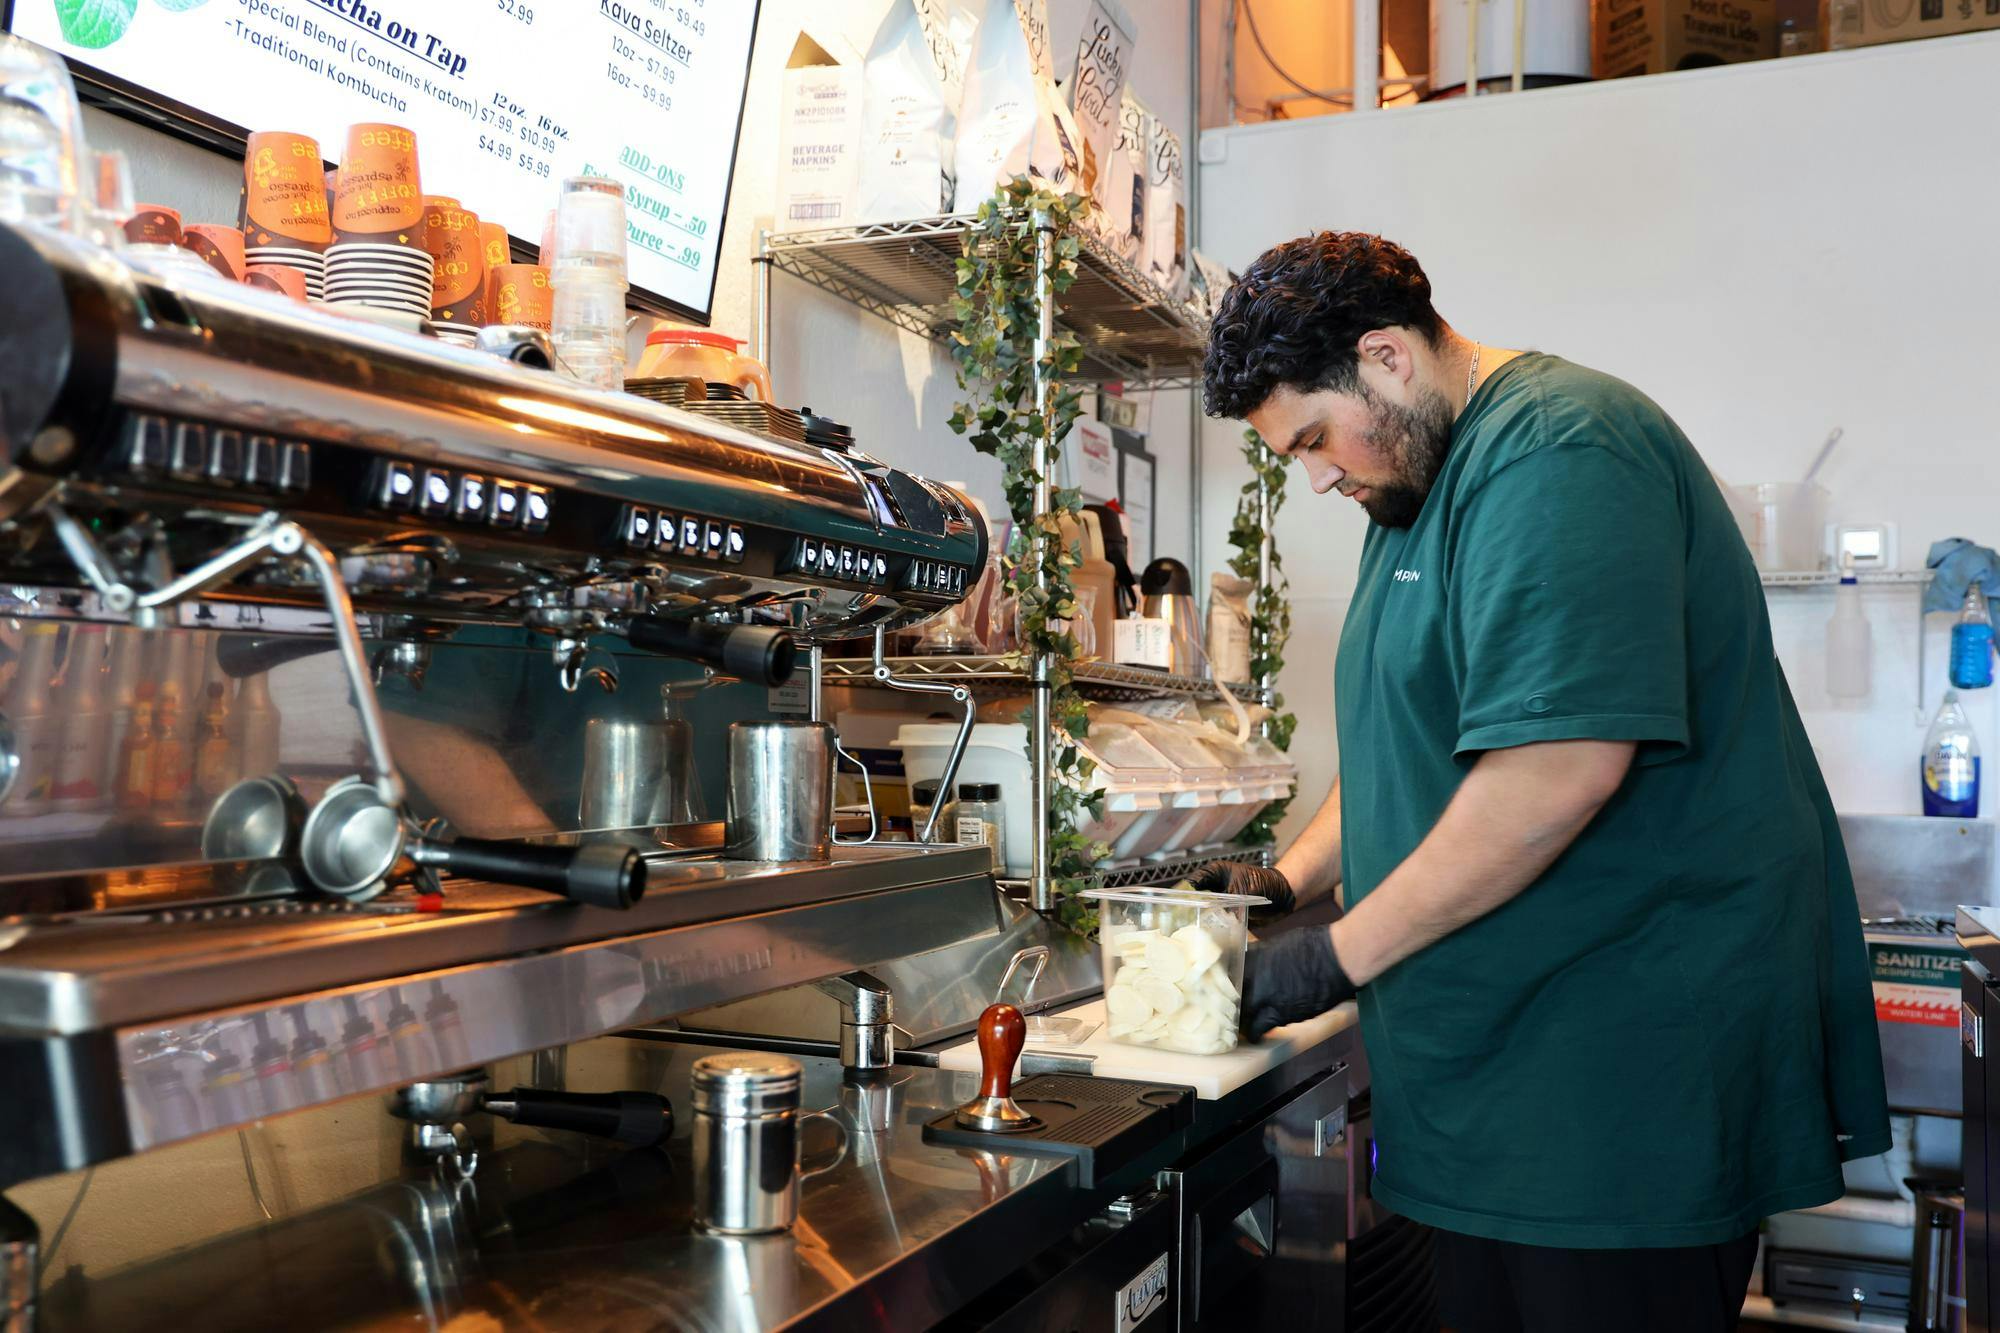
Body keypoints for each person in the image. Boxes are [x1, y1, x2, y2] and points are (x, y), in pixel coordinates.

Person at [1190, 231, 1888, 1333]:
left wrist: (1325, 960)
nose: (1316, 473)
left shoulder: (1561, 451)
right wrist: (1279, 884)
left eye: (1315, 437)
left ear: (1386, 357)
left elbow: (1553, 771)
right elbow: (1400, 742)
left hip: (1616, 1075)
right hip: (1501, 1070)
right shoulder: (1407, 487)